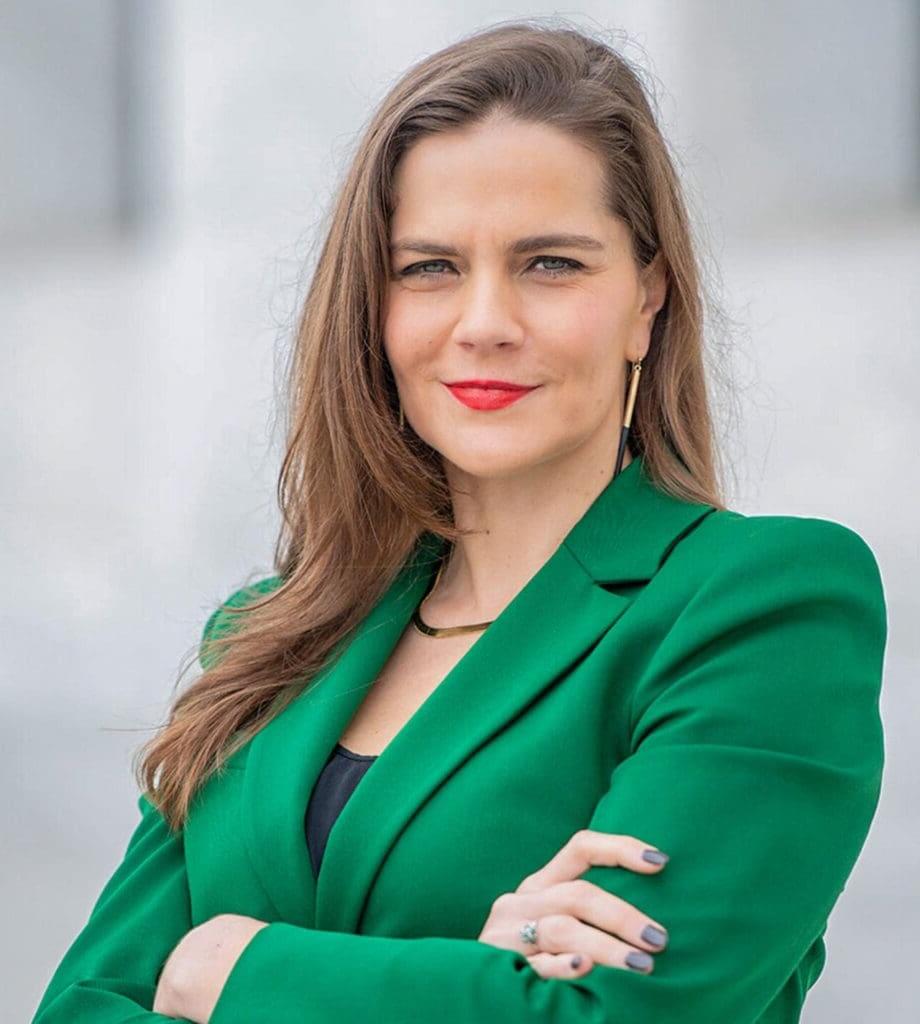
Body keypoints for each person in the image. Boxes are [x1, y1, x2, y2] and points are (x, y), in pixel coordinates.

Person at [32, 19, 887, 1024]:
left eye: (549, 264)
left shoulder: (759, 606)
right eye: (429, 267)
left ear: (646, 300)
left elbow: (610, 1017)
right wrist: (473, 978)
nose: (483, 321)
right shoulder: (270, 634)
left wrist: (227, 966)